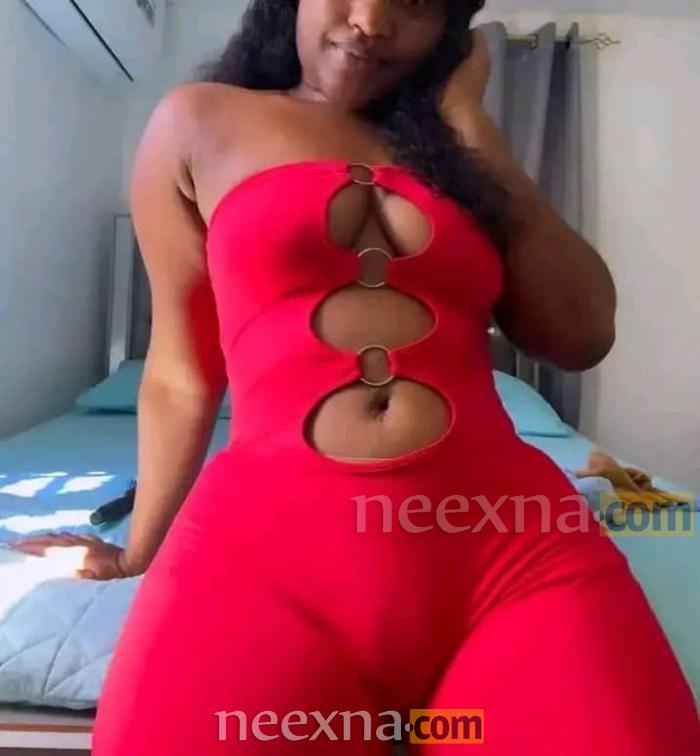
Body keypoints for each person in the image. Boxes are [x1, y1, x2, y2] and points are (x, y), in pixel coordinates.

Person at [12, 1, 700, 753]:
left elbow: (583, 332)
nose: (370, 20)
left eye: (413, 3)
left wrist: (469, 124)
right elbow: (181, 372)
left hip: (508, 553)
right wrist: (136, 552)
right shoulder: (199, 122)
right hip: (268, 556)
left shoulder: (459, 155)